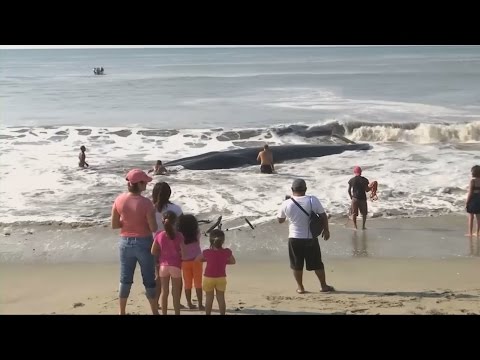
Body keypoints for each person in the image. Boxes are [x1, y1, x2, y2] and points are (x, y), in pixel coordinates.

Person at [111, 169, 158, 315]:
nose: (147, 185)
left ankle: (122, 311)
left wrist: (127, 222)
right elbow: (153, 227)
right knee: (149, 279)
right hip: (144, 242)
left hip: (125, 242)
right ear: (139, 184)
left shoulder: (119, 200)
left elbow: (114, 225)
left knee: (125, 278)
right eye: (145, 182)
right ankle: (155, 312)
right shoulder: (146, 203)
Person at [277, 179, 334, 294]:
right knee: (317, 263)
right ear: (305, 189)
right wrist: (326, 230)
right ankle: (323, 286)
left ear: (292, 190)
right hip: (310, 238)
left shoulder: (286, 203)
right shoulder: (313, 200)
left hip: (294, 238)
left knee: (296, 264)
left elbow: (280, 220)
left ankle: (300, 288)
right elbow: (323, 216)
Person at [151, 182, 183, 307]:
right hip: (173, 245)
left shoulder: (150, 209)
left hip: (155, 243)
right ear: (169, 194)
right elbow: (181, 228)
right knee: (177, 276)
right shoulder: (176, 209)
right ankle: (177, 303)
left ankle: (156, 302)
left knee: (158, 275)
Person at [195, 229, 236, 315]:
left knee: (209, 299)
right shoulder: (227, 252)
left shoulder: (207, 252)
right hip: (221, 278)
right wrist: (223, 261)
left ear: (211, 240)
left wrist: (206, 260)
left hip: (208, 278)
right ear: (223, 241)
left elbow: (197, 259)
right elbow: (233, 261)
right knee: (221, 298)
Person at [178, 214, 204, 310]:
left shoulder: (179, 236)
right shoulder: (196, 233)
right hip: (197, 260)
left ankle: (189, 303)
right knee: (198, 283)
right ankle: (200, 304)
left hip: (184, 261)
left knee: (187, 283)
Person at [348, 166, 372, 230]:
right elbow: (367, 190)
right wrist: (372, 187)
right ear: (361, 172)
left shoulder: (352, 180)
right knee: (364, 213)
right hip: (362, 199)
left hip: (355, 199)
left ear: (354, 172)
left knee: (354, 213)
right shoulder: (365, 180)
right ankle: (363, 226)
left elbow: (349, 190)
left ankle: (355, 227)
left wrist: (351, 197)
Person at [465, 165, 480, 237]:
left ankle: (470, 233)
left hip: (473, 199)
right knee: (478, 217)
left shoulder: (472, 181)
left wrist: (467, 202)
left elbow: (470, 192)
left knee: (471, 216)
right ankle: (477, 233)